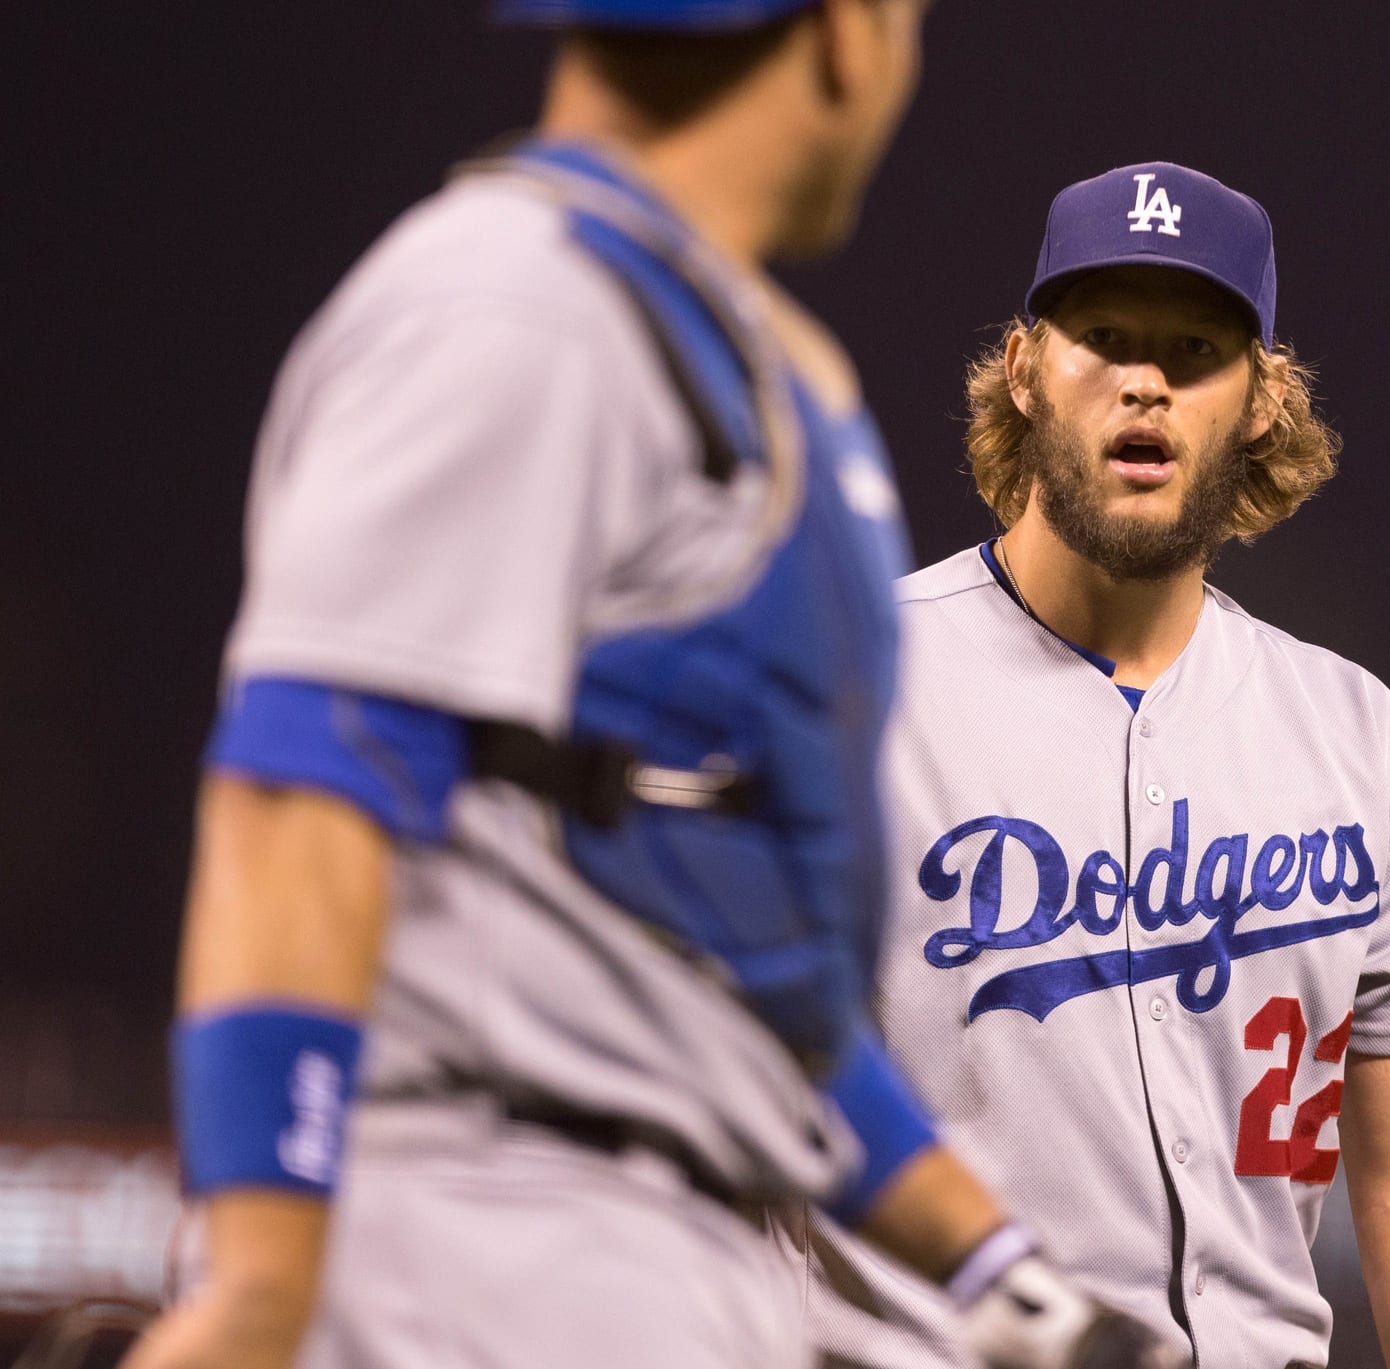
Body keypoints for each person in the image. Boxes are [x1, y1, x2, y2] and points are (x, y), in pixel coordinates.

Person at [124, 8, 1184, 1368]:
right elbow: (302, 789)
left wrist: (1015, 1294)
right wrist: (258, 1284)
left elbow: (740, 970)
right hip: (484, 1233)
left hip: (659, 1250)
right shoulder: (513, 301)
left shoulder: (717, 345)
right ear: (846, 36)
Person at [802, 163, 1390, 1369]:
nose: (1145, 378)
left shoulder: (1352, 732)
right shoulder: (850, 686)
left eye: (1194, 346)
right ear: (1026, 367)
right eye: (1102, 337)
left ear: (1257, 401)